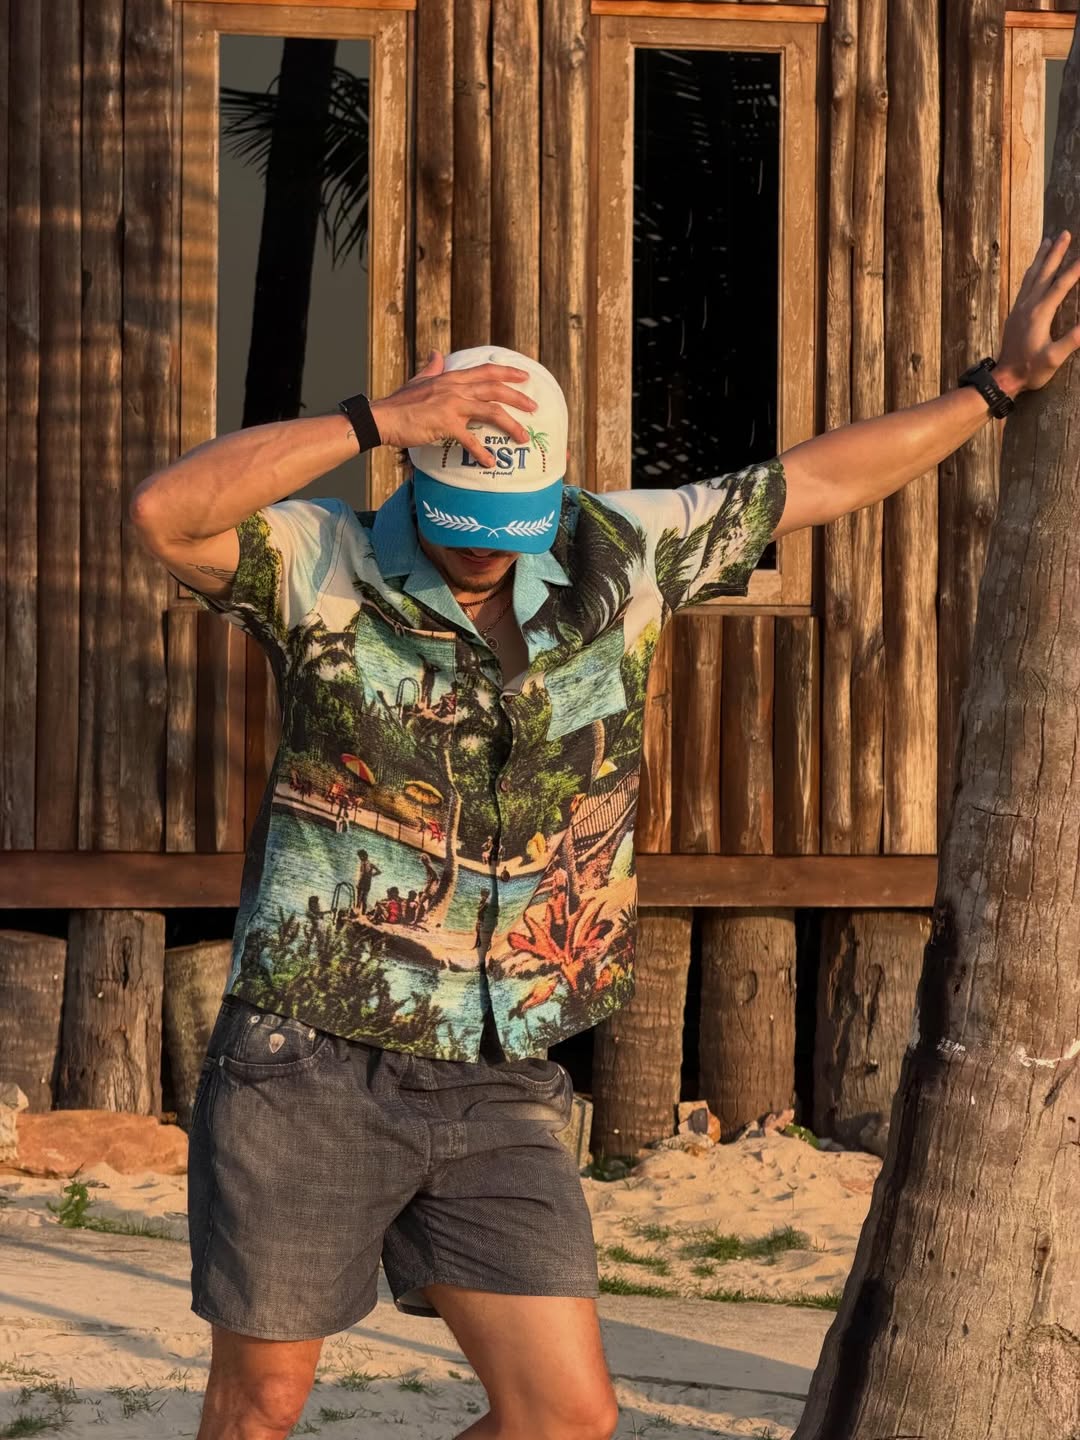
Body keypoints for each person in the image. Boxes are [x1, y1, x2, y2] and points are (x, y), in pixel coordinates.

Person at [130, 232, 1080, 1440]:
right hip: (310, 1057)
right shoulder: (322, 562)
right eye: (460, 515)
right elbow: (165, 514)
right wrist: (375, 417)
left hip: (503, 1061)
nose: (485, 544)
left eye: (511, 520)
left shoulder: (622, 554)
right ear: (413, 473)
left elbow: (814, 483)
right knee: (261, 1403)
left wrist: (993, 388)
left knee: (566, 1419)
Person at [353, 849, 380, 916]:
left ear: (364, 856)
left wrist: (359, 883)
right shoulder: (369, 864)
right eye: (359, 856)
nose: (360, 858)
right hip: (367, 883)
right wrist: (371, 875)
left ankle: (358, 913)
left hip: (363, 883)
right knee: (363, 899)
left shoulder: (365, 863)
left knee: (359, 899)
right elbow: (379, 872)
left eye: (360, 856)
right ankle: (362, 913)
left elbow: (363, 874)